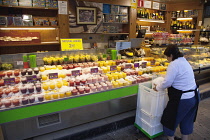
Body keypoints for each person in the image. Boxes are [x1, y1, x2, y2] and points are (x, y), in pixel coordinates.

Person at [154, 45, 200, 140]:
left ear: (171, 55)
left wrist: (157, 87)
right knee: (187, 120)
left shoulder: (173, 64)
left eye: (167, 57)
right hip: (194, 97)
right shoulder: (184, 61)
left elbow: (167, 82)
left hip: (182, 99)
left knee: (169, 120)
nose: (167, 59)